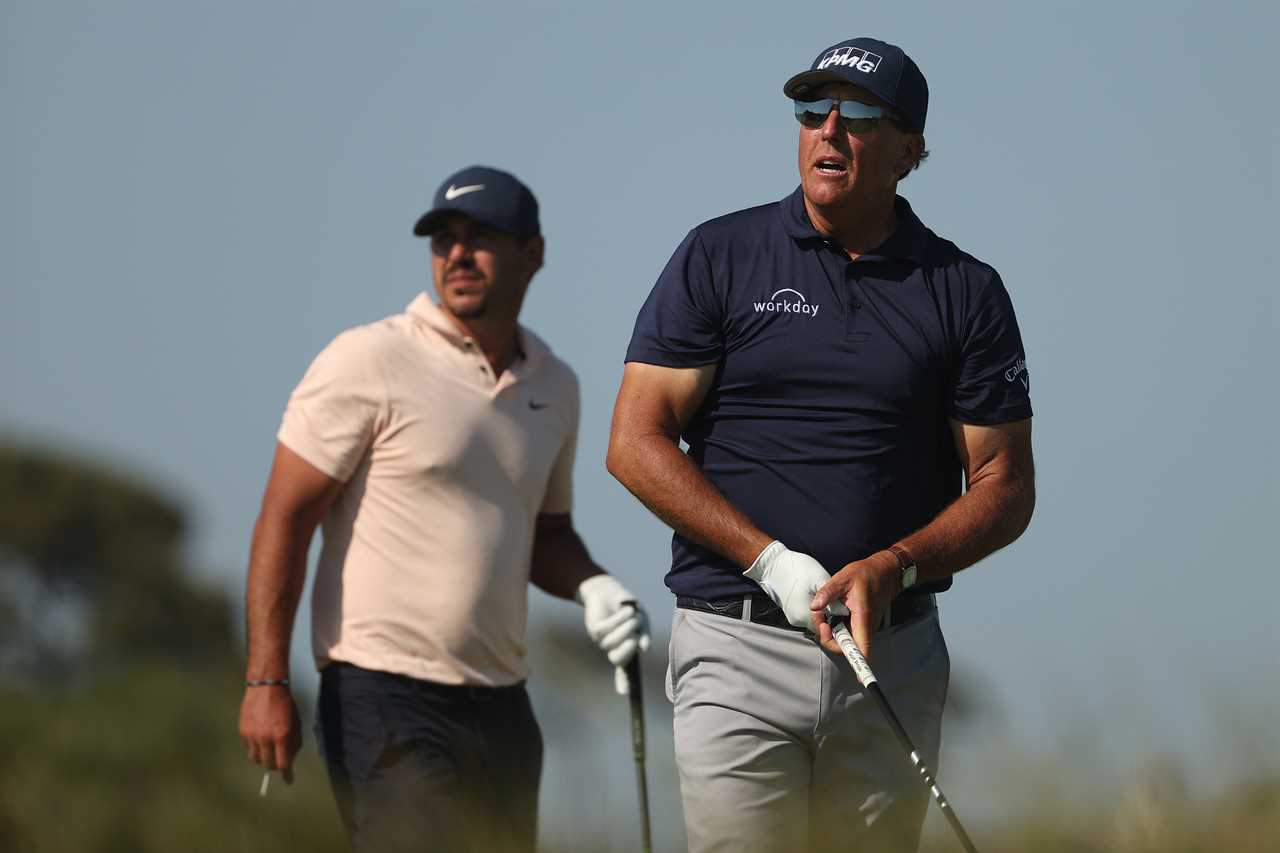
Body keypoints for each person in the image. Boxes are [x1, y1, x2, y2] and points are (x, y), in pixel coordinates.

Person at [607, 37, 1035, 852]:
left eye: (860, 115)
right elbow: (635, 442)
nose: (829, 132)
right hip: (735, 646)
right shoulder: (721, 255)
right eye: (813, 110)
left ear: (910, 150)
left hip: (893, 650)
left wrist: (895, 564)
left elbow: (1005, 483)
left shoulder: (964, 290)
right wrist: (769, 560)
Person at [238, 165, 649, 853]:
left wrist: (593, 585)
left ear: (533, 254)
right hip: (382, 693)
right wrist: (267, 679)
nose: (456, 254)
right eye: (443, 239)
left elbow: (544, 532)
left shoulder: (555, 384)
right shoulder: (369, 357)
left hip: (503, 709)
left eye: (480, 237)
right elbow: (285, 518)